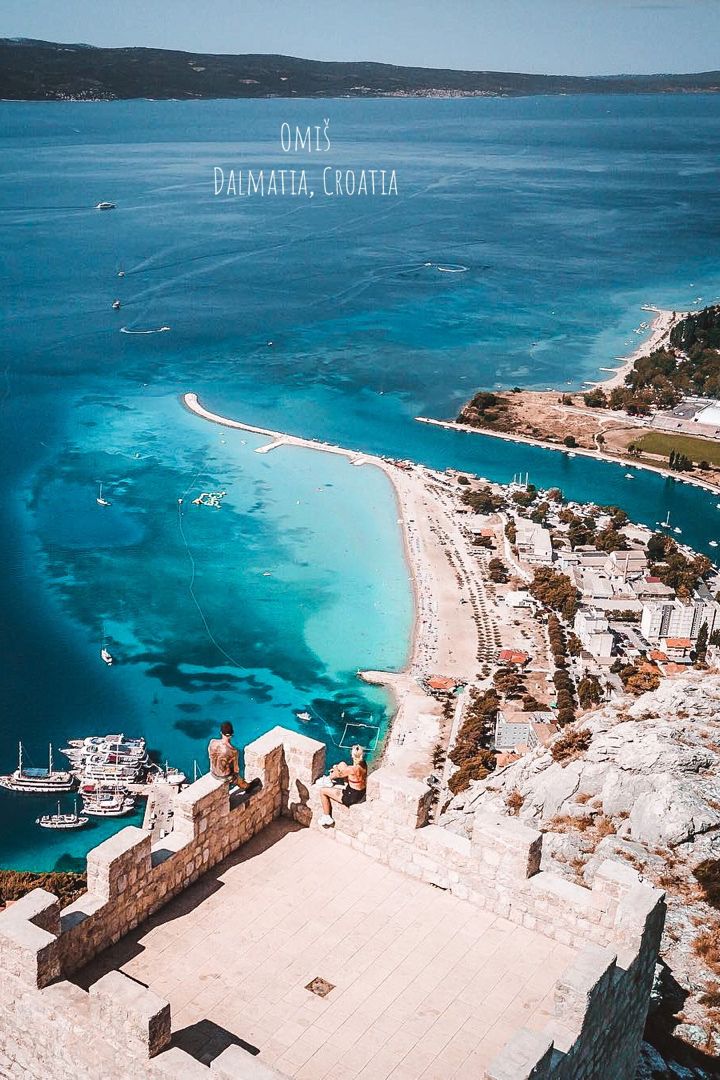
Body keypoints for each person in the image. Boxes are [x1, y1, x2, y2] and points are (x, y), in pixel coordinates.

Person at [318, 744, 367, 827]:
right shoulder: (364, 765)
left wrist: (335, 767)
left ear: (352, 755)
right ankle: (327, 780)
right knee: (343, 764)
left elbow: (338, 774)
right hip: (361, 792)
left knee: (323, 791)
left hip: (351, 797)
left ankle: (327, 817)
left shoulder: (351, 769)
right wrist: (340, 767)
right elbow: (348, 772)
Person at [208, 721, 250, 790]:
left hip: (213, 773)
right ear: (232, 735)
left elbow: (211, 756)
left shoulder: (212, 742)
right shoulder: (233, 751)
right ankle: (247, 787)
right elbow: (236, 770)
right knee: (237, 777)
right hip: (224, 777)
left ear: (221, 732)